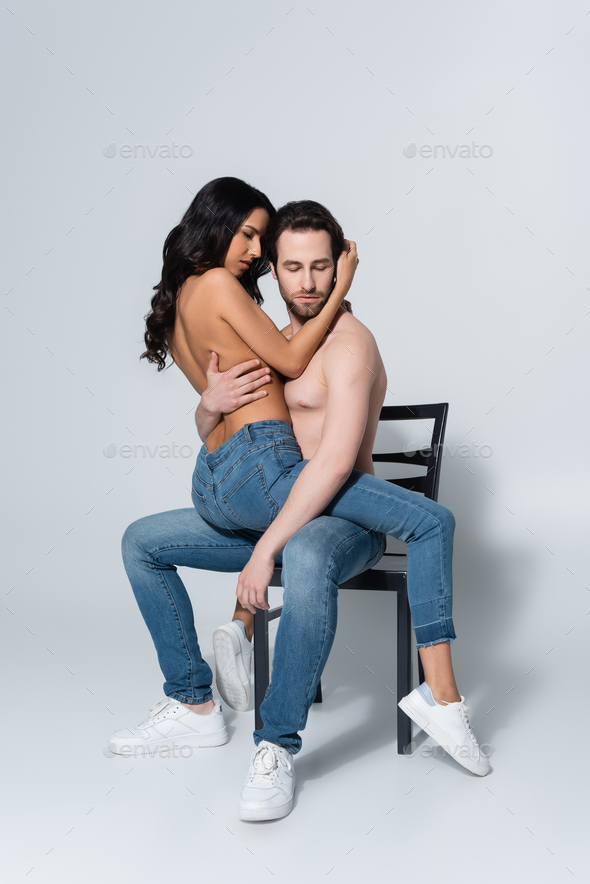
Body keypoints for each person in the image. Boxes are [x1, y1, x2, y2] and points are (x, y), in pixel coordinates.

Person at [106, 188, 489, 824]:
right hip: (275, 502)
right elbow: (231, 436)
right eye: (290, 265)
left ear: (339, 266)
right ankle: (193, 701)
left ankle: (281, 743)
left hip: (344, 520)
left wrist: (262, 553)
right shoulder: (283, 338)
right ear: (274, 271)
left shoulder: (346, 343)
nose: (306, 281)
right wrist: (209, 404)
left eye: (320, 267)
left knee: (321, 548)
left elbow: (334, 465)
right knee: (141, 542)